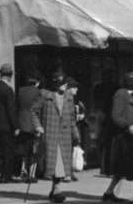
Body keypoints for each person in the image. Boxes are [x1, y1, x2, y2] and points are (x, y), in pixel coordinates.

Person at [32, 69, 80, 203]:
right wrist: (38, 126)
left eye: (65, 84)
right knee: (54, 161)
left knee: (62, 163)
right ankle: (56, 190)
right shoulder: (45, 95)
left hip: (65, 134)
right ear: (56, 84)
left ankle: (55, 189)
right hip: (51, 132)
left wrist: (75, 133)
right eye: (62, 84)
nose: (65, 86)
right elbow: (34, 111)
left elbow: (72, 118)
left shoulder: (69, 97)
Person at [102, 70, 133, 203]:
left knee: (130, 168)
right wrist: (127, 126)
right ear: (132, 82)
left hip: (131, 138)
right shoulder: (121, 94)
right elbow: (115, 116)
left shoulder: (130, 94)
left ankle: (111, 192)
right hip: (124, 138)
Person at [16, 72, 42, 182]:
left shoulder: (20, 91)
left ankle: (22, 171)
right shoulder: (38, 92)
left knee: (24, 150)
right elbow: (39, 109)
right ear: (37, 83)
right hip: (33, 124)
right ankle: (31, 174)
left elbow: (17, 106)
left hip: (22, 123)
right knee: (34, 151)